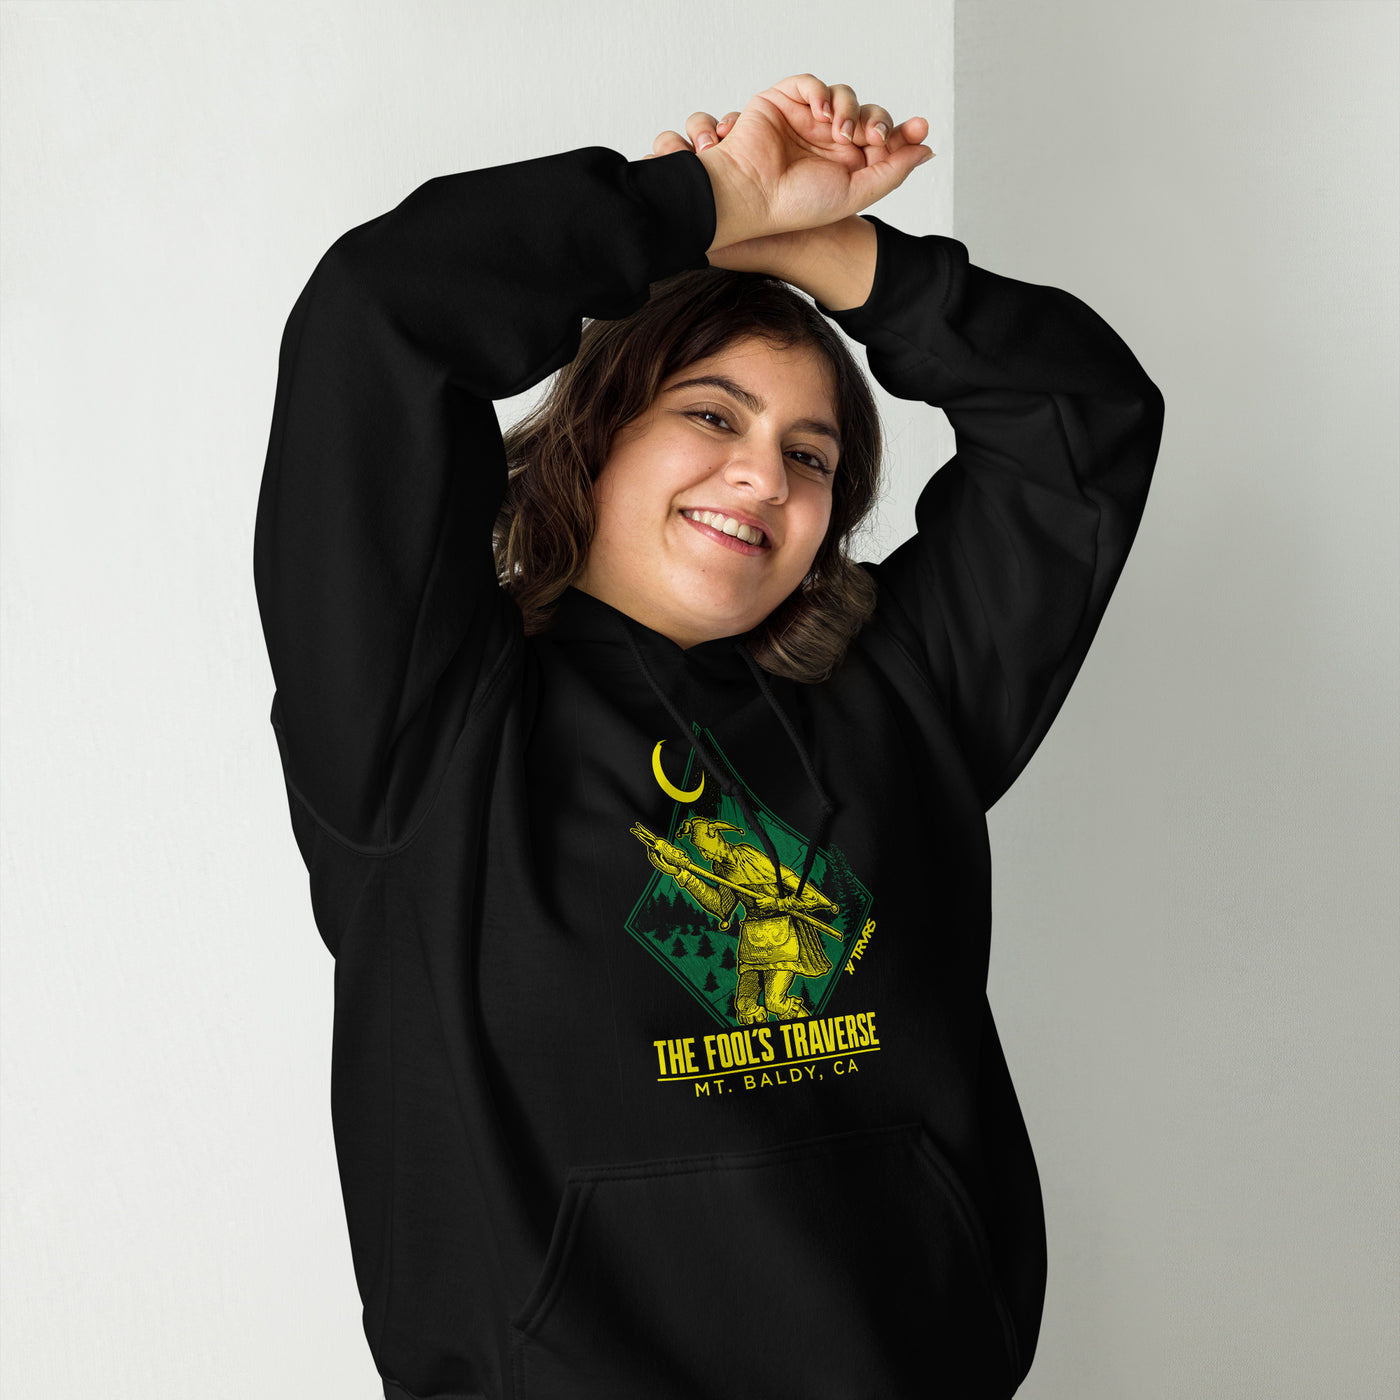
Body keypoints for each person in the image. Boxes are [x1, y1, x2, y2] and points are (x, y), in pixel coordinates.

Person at [254, 73, 1164, 1400]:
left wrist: (839, 257)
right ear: (597, 440)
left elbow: (1080, 421)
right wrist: (707, 202)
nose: (764, 475)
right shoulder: (424, 728)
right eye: (711, 414)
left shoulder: (899, 702)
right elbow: (383, 311)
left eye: (813, 455)